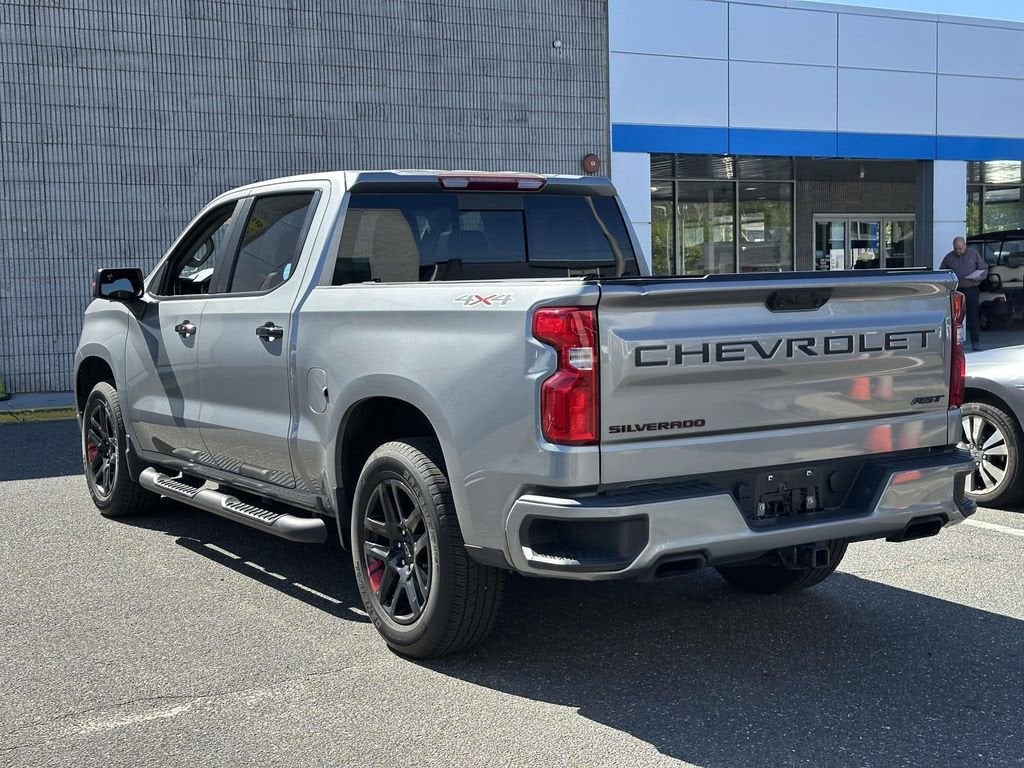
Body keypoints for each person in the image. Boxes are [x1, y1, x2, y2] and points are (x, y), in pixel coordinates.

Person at [940, 236, 988, 351]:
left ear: (965, 246)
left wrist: (980, 277)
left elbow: (984, 268)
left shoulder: (974, 254)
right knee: (954, 318)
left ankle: (976, 343)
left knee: (973, 316)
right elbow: (942, 271)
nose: (958, 251)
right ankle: (953, 344)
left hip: (971, 289)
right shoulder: (949, 257)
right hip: (956, 291)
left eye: (960, 248)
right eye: (956, 249)